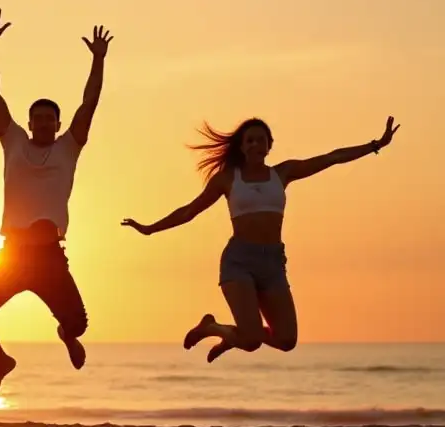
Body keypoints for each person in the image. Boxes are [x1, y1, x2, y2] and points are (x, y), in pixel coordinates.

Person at [121, 115, 399, 361]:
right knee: (252, 341)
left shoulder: (283, 172)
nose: (255, 145)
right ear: (242, 147)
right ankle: (213, 328)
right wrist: (149, 229)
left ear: (269, 145)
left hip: (273, 263)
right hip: (239, 262)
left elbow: (331, 158)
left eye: (260, 140)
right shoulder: (227, 179)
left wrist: (376, 145)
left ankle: (230, 336)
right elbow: (189, 211)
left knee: (286, 341)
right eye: (249, 140)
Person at [0, 7, 113, 398]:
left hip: (49, 258)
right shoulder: (12, 141)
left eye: (50, 119)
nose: (43, 123)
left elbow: (89, 103)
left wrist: (97, 60)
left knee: (78, 325)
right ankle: (0, 360)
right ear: (28, 123)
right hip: (10, 256)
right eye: (37, 118)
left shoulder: (69, 148)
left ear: (58, 125)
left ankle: (65, 334)